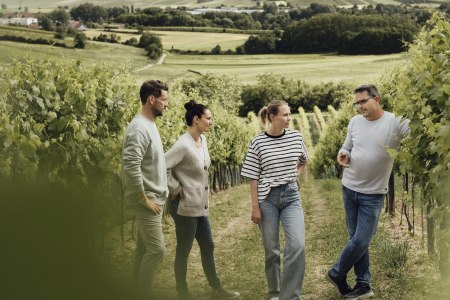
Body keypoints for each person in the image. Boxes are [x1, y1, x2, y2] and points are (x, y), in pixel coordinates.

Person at [326, 84, 410, 299]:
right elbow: (347, 146)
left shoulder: (395, 122)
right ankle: (364, 284)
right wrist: (343, 154)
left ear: (377, 99)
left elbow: (420, 133)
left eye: (363, 101)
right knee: (356, 239)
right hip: (349, 188)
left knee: (362, 240)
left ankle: (337, 272)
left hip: (373, 193)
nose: (360, 106)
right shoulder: (355, 122)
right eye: (357, 103)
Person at [165, 100, 240, 300]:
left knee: (208, 245)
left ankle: (217, 288)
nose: (211, 122)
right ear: (196, 120)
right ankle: (182, 292)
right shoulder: (182, 144)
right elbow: (161, 166)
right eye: (208, 118)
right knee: (184, 250)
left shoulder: (202, 140)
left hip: (199, 205)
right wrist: (175, 187)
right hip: (184, 207)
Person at [241, 100, 308, 300]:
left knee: (297, 246)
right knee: (271, 250)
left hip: (291, 197)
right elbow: (253, 177)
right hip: (267, 199)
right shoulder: (258, 142)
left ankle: (290, 296)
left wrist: (295, 174)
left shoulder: (296, 137)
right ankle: (274, 293)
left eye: (290, 114)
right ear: (272, 117)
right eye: (285, 115)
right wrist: (255, 207)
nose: (289, 118)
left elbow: (303, 159)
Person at [121, 80, 169, 298]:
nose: (166, 104)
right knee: (157, 251)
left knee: (143, 250)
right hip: (148, 200)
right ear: (152, 99)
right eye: (164, 99)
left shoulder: (149, 124)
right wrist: (143, 199)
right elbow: (130, 165)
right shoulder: (139, 127)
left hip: (154, 198)